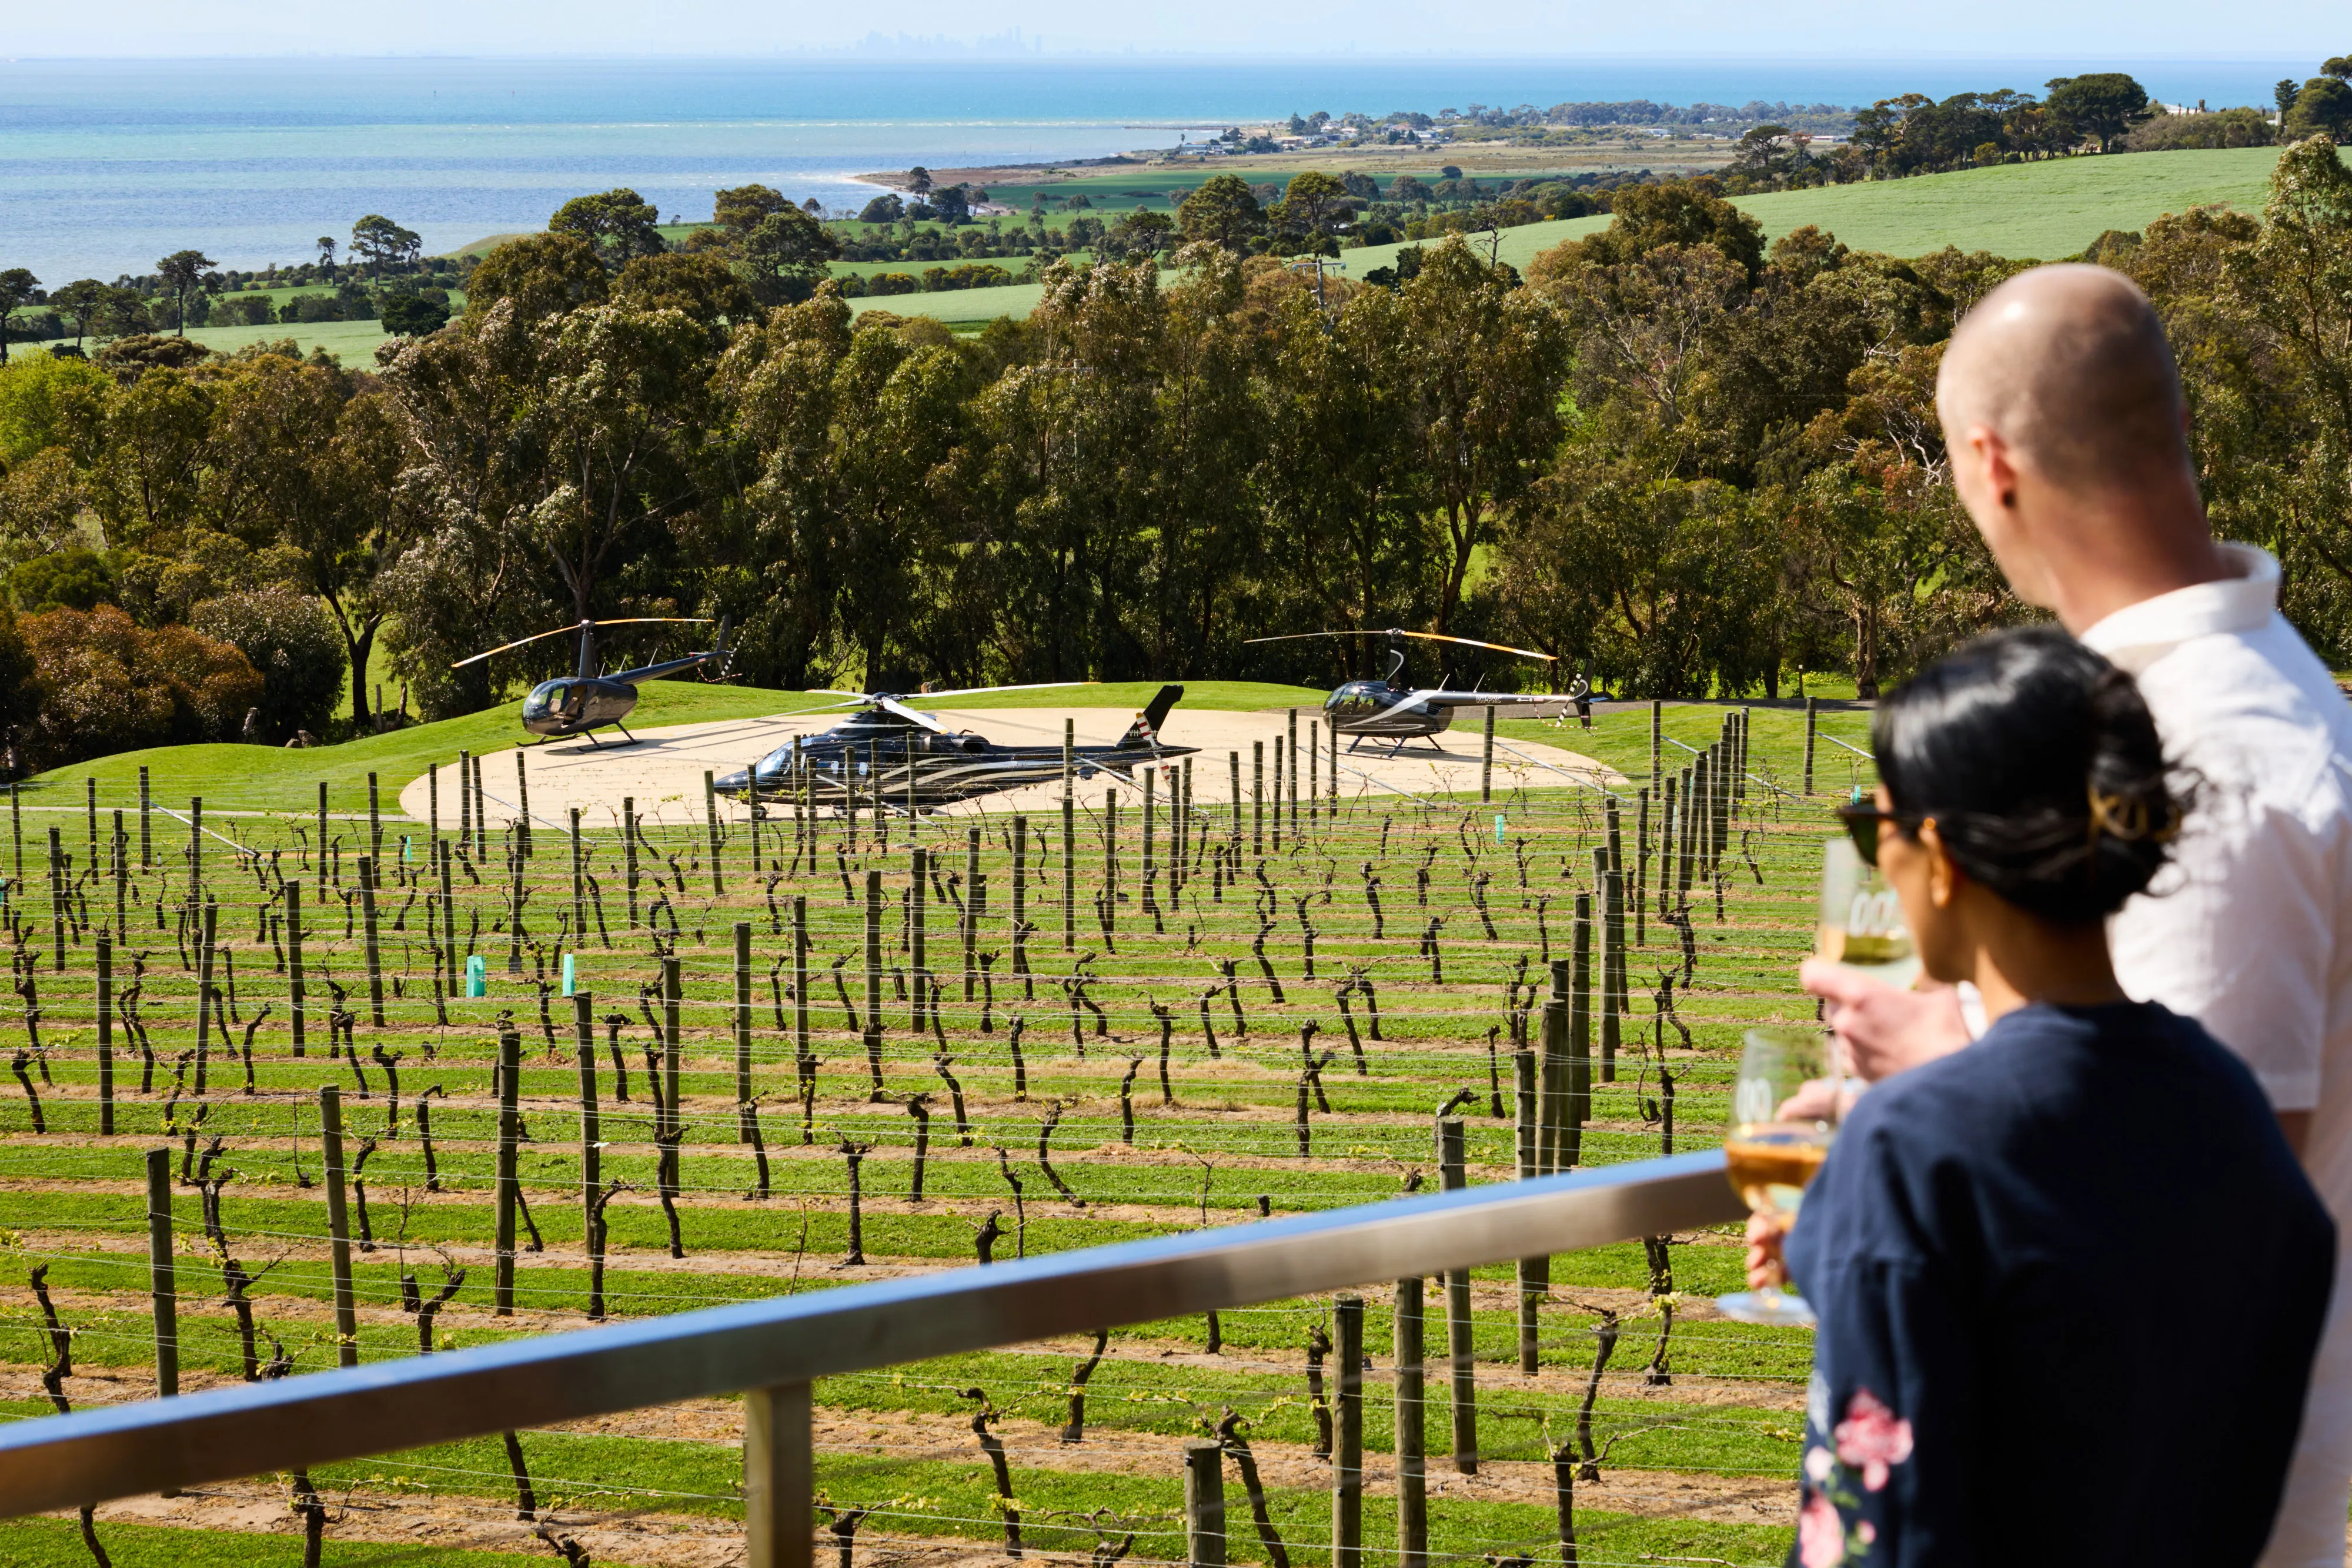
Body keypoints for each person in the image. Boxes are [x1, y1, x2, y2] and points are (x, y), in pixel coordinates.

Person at [1779, 263, 2352, 1566]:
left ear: (1988, 463)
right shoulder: (2238, 699)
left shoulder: (2221, 748)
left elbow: (2156, 1188)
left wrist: (1924, 1088)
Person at [1782, 624, 2333, 1568]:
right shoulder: (2228, 1103)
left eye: (1877, 830)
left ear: (1943, 857)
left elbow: (1875, 1537)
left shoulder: (1911, 1147)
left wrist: (1859, 1233)